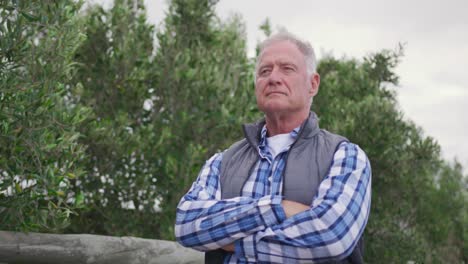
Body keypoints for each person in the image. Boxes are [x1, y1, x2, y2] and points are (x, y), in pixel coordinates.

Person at [175, 30, 371, 264]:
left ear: (313, 84)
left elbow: (332, 237)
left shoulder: (345, 156)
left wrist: (235, 242)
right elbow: (187, 225)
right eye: (265, 71)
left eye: (287, 69)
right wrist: (279, 208)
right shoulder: (222, 162)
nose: (274, 78)